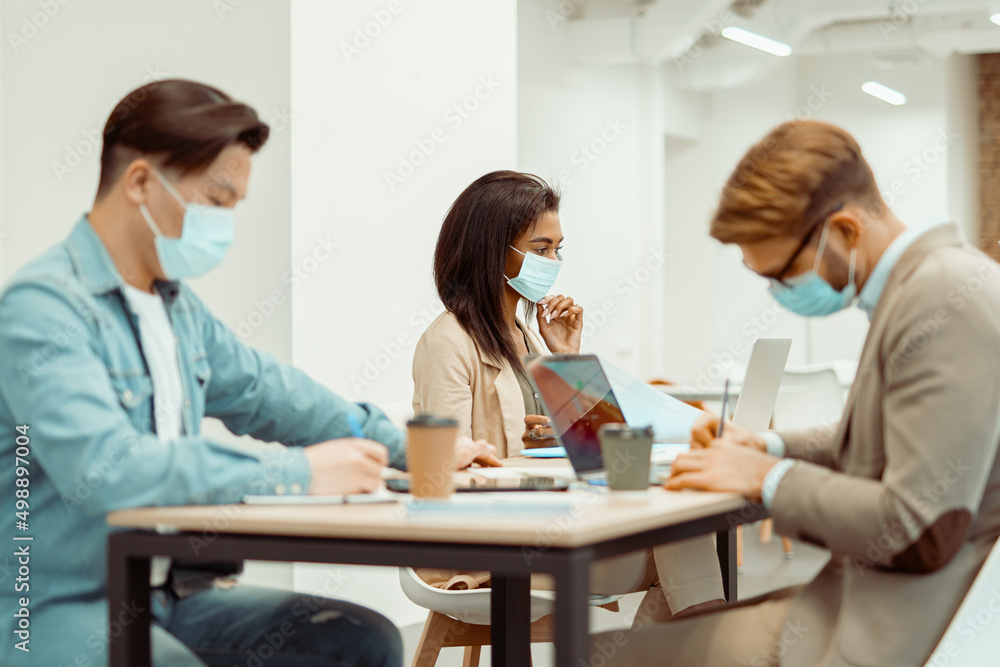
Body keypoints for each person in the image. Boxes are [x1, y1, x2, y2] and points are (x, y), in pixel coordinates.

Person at [0, 79, 496, 667]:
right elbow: (111, 468)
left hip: (163, 592)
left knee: (361, 642)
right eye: (215, 200)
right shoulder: (44, 308)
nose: (225, 223)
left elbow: (271, 394)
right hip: (49, 605)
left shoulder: (174, 307)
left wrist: (407, 452)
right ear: (138, 183)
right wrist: (300, 471)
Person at [590, 119, 1000, 666]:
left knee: (599, 655)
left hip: (885, 630)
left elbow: (917, 529)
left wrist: (767, 480)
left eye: (783, 274)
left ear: (845, 231)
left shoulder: (943, 300)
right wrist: (766, 448)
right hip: (849, 602)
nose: (780, 292)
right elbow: (883, 439)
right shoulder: (925, 287)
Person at [412, 170, 725, 619]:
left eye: (557, 249)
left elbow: (592, 448)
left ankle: (692, 636)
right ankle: (706, 635)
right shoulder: (447, 342)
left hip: (550, 520)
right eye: (541, 248)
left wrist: (566, 359)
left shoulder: (525, 335)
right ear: (490, 249)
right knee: (681, 540)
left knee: (678, 528)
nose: (553, 260)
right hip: (492, 543)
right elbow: (449, 474)